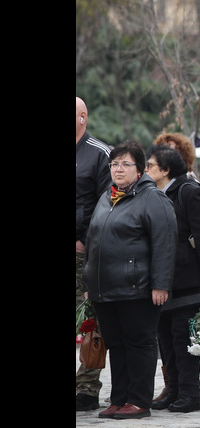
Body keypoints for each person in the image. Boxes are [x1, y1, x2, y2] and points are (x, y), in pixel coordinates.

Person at [83, 141, 177, 420]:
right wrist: (90, 283)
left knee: (139, 344)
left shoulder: (153, 198)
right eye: (114, 164)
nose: (118, 169)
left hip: (138, 288)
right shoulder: (106, 197)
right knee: (116, 345)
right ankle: (119, 398)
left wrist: (161, 284)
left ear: (140, 170)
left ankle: (138, 400)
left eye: (126, 164)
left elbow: (165, 244)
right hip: (105, 289)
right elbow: (93, 241)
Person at [144, 144, 200, 413]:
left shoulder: (188, 191)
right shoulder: (153, 193)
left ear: (165, 170)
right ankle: (174, 389)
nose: (146, 170)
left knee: (183, 339)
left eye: (150, 165)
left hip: (188, 280)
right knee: (165, 338)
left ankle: (190, 393)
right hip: (163, 280)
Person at [76, 97, 111, 411]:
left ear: (82, 117)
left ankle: (86, 388)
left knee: (89, 321)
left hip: (83, 253)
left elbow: (108, 202)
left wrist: (86, 241)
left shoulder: (100, 153)